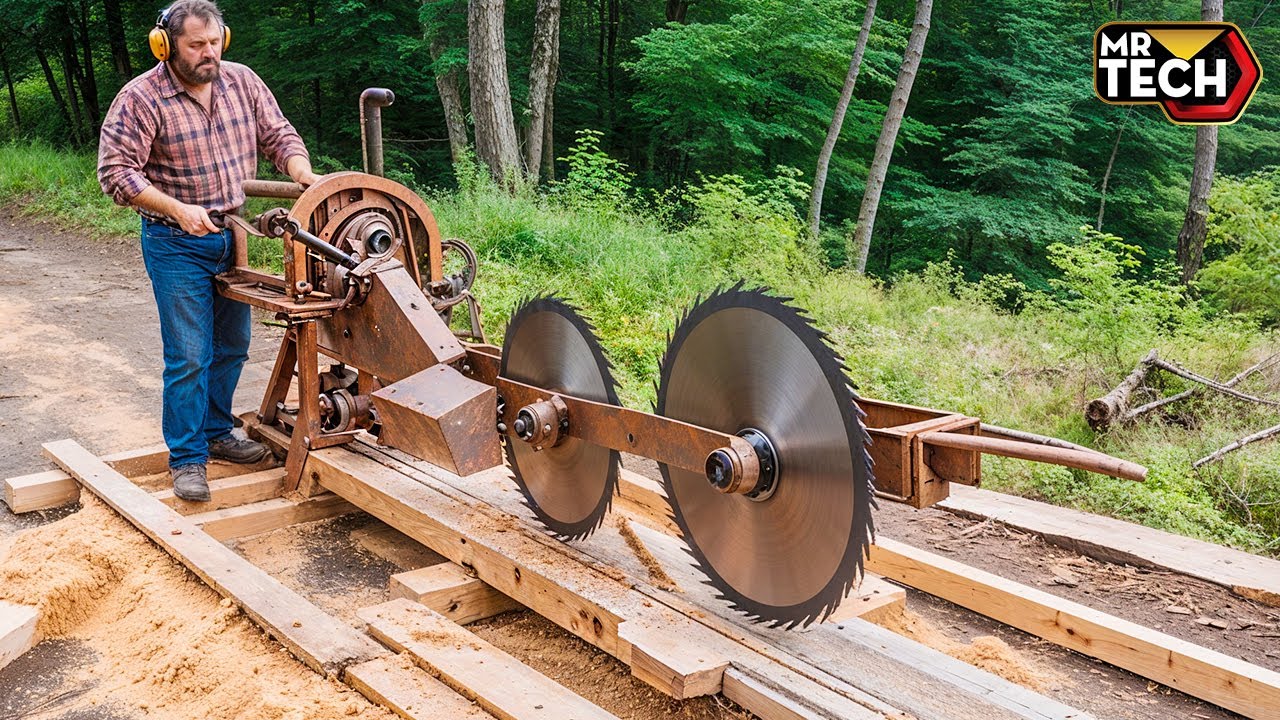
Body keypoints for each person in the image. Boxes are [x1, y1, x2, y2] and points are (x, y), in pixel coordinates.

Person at [98, 0, 319, 502]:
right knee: (189, 356)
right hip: (175, 243)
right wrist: (177, 209)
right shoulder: (141, 98)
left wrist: (302, 172)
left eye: (215, 42)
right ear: (165, 45)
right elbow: (116, 173)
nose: (208, 53)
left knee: (233, 346)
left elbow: (279, 136)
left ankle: (218, 432)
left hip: (231, 237)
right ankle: (187, 458)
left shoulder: (242, 81)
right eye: (196, 44)